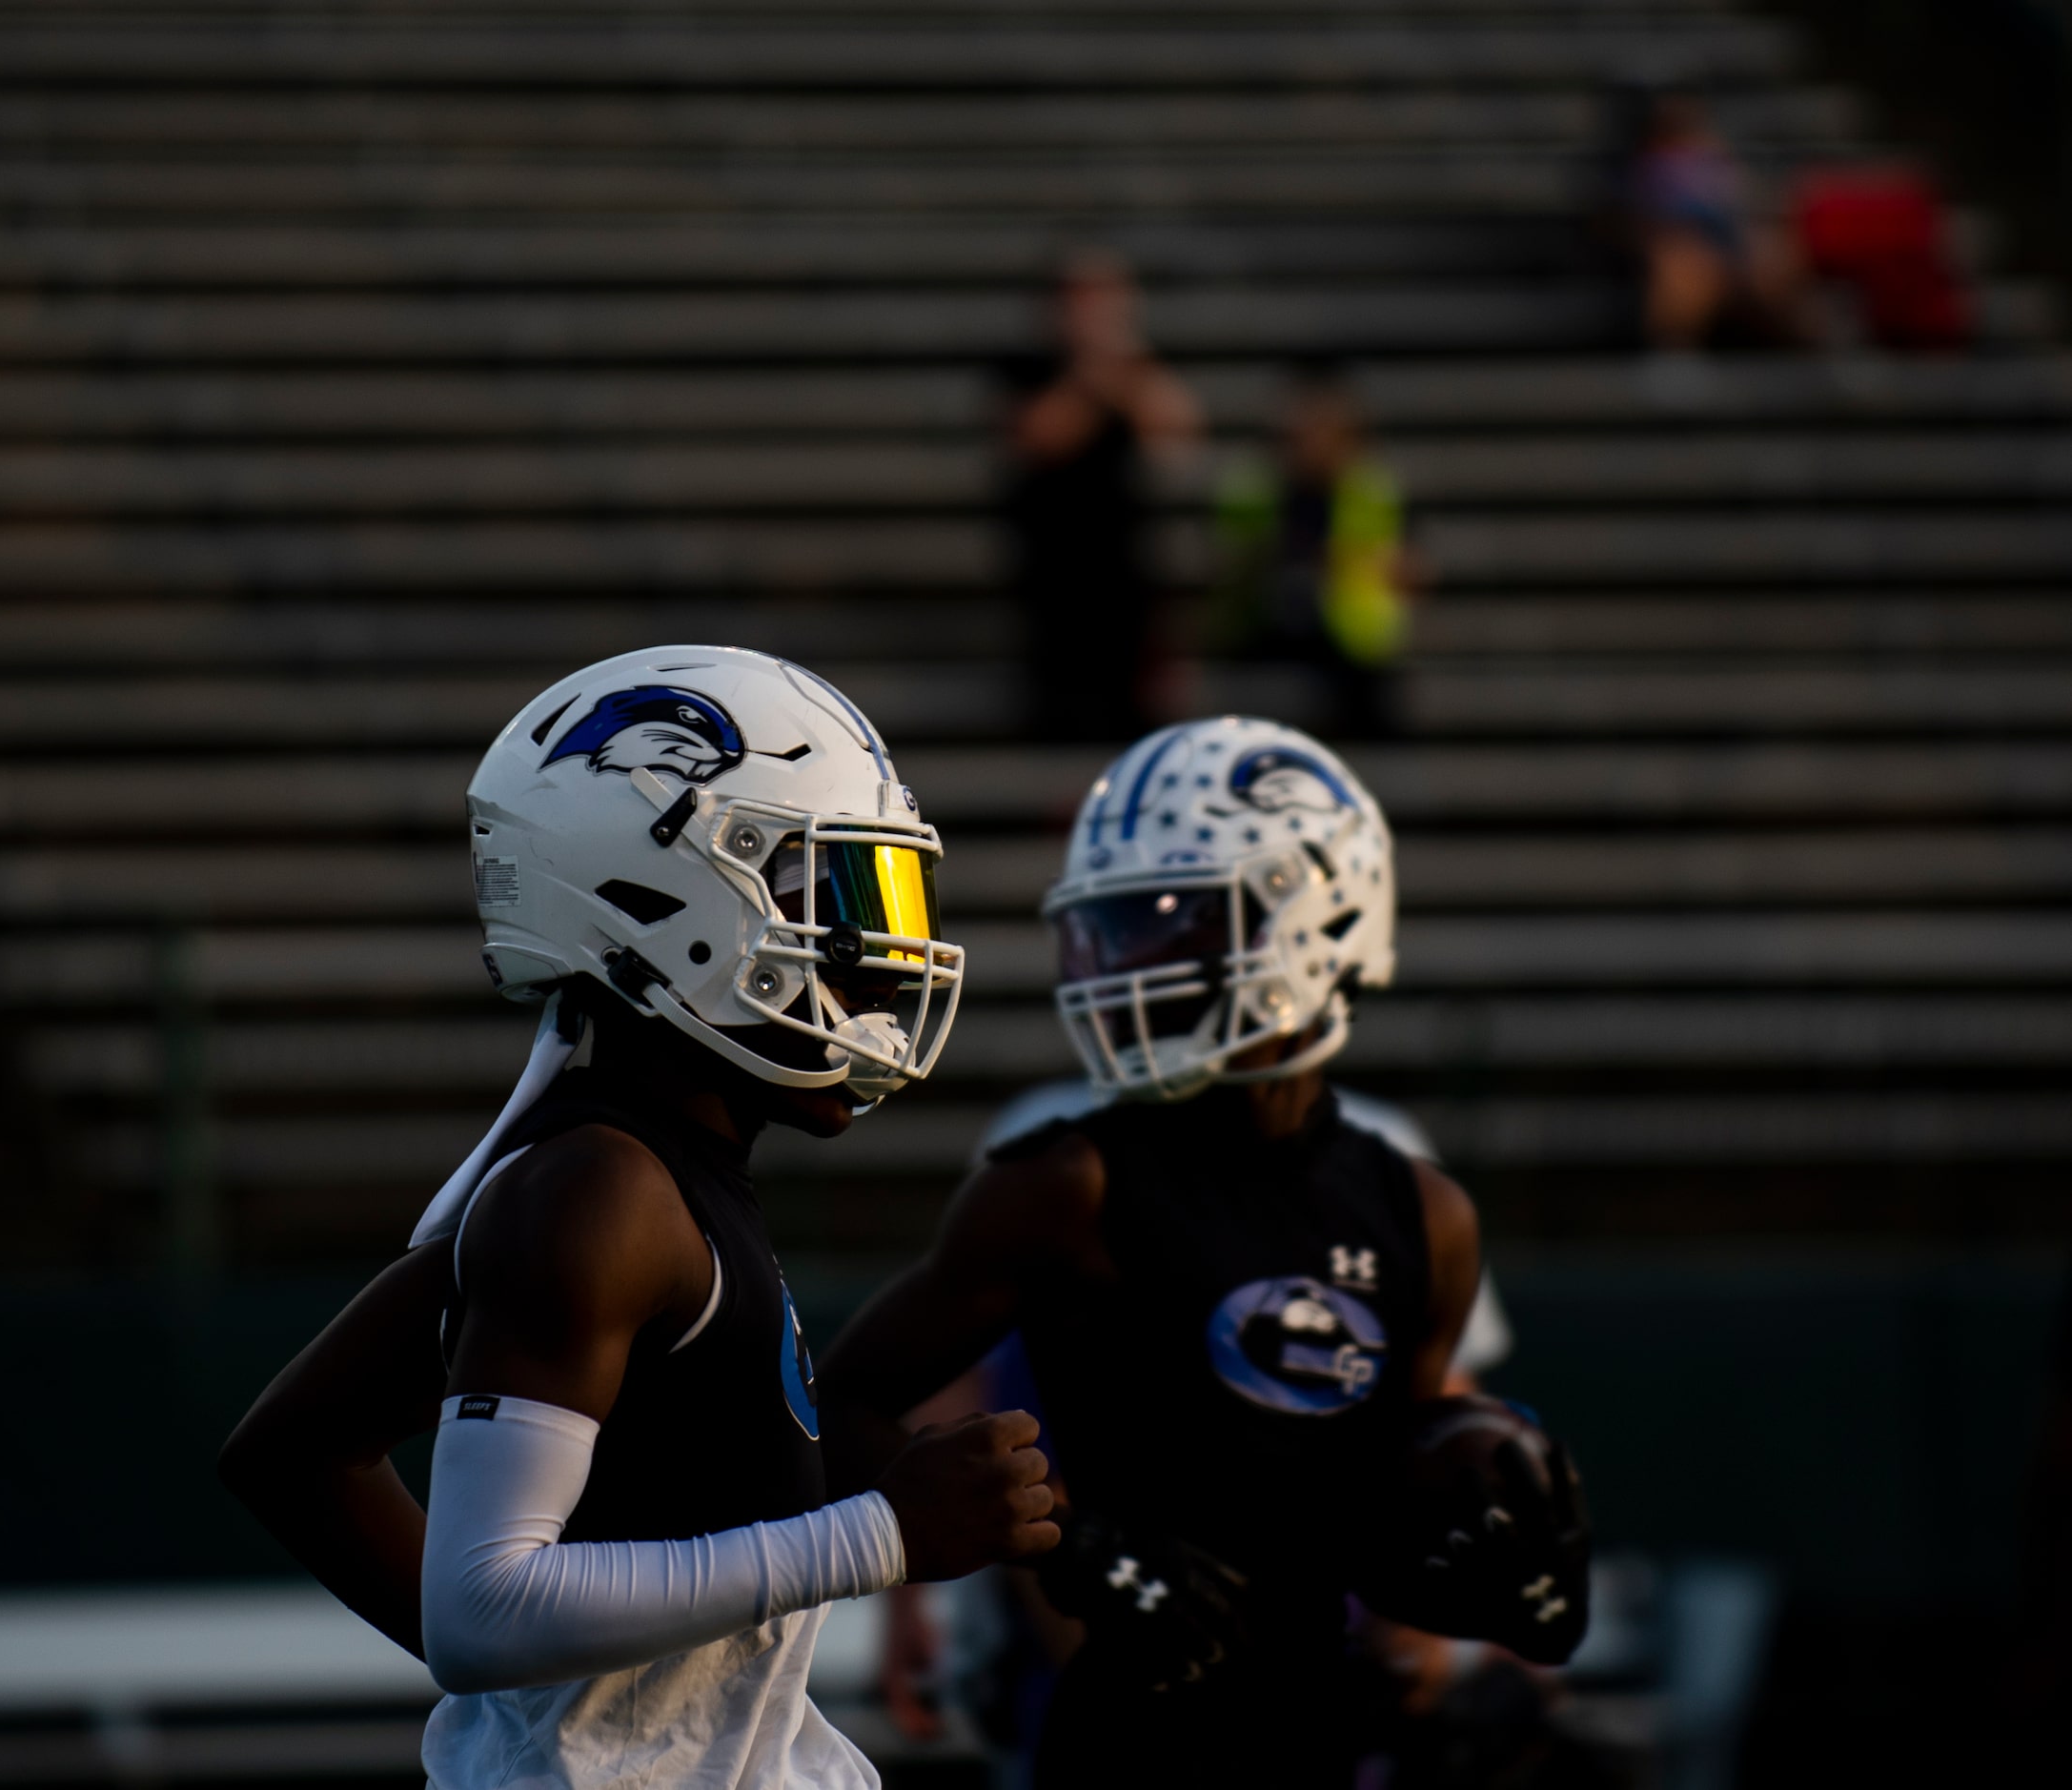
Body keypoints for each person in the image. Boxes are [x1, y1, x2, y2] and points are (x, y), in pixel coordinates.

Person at [217, 646, 1060, 1790]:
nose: (876, 967)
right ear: (661, 904)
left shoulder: (634, 1170)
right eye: (836, 904)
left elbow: (296, 1451)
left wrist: (561, 1708)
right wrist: (885, 1535)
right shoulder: (596, 1194)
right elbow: (482, 1613)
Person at [822, 716, 1589, 1789]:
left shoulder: (1423, 1210)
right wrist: (1071, 1548)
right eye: (1118, 925)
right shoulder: (1062, 1181)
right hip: (1122, 1731)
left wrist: (1488, 1591)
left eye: (1174, 919)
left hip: (1326, 1730)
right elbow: (845, 1409)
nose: (1128, 958)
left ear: (1313, 918)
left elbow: (1389, 1492)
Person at [1002, 248, 1205, 742]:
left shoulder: (1137, 369)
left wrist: (1123, 368)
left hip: (1126, 578)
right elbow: (1040, 437)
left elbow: (1177, 436)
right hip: (1055, 577)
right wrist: (1092, 373)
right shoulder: (1029, 368)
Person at [1206, 364, 1422, 740]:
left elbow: (1410, 570)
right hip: (1265, 632)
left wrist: (1351, 562)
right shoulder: (1253, 491)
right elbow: (1225, 566)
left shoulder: (1373, 490)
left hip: (1354, 646)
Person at [1626, 91, 1810, 351]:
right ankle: (1676, 359)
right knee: (1684, 269)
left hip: (1734, 237)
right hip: (1684, 240)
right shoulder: (1646, 163)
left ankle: (1807, 352)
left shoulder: (1714, 153)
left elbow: (1746, 199)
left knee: (1775, 258)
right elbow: (1641, 217)